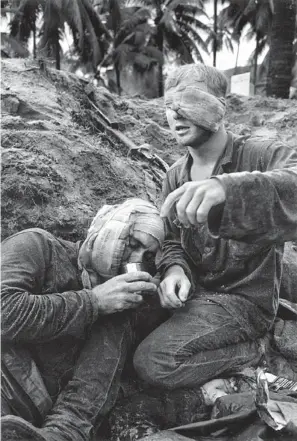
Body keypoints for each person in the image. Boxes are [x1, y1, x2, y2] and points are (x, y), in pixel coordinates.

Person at [133, 63, 297, 392]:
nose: (175, 115)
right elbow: (171, 240)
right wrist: (175, 270)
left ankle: (255, 351)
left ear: (221, 107)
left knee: (154, 362)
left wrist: (228, 188)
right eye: (168, 106)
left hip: (246, 302)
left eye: (189, 102)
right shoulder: (175, 176)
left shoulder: (259, 155)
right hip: (197, 297)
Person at [1, 198, 165, 441]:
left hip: (41, 418)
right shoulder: (37, 245)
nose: (135, 260)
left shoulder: (123, 304)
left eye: (147, 256)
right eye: (132, 244)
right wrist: (94, 302)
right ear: (106, 227)